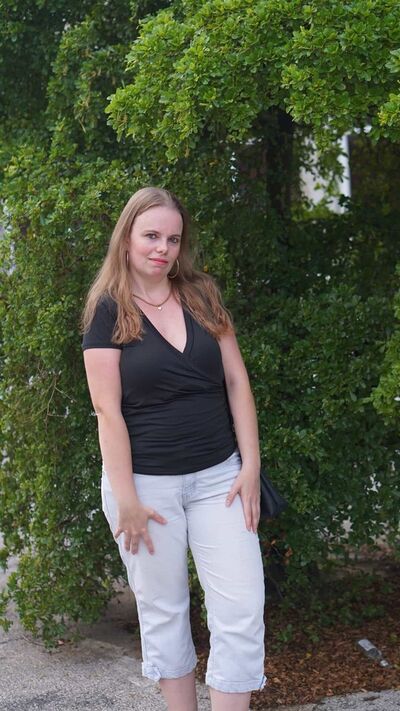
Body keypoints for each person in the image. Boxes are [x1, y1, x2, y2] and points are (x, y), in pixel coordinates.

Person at [81, 186, 267, 711]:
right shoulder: (108, 311)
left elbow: (237, 382)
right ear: (126, 239)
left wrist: (250, 466)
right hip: (145, 487)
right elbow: (107, 411)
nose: (163, 248)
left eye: (173, 239)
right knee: (164, 613)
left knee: (242, 609)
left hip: (220, 480)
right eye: (151, 236)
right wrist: (127, 499)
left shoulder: (201, 294)